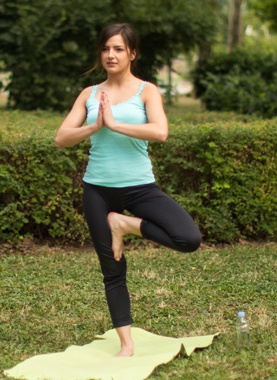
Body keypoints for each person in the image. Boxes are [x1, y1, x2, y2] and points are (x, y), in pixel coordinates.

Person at [53, 23, 202, 357]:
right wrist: (94, 125)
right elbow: (61, 138)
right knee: (113, 270)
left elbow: (160, 131)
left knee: (188, 238)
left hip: (140, 188)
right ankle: (126, 344)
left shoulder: (146, 91)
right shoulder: (88, 94)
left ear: (132, 54)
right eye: (106, 48)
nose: (111, 54)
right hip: (98, 191)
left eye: (119, 49)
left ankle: (124, 224)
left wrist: (115, 123)